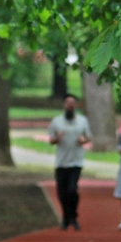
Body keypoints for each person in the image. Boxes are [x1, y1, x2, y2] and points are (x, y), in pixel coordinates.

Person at [48, 93, 93, 230]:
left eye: (73, 103)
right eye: (68, 103)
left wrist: (83, 141)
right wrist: (57, 138)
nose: (70, 105)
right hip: (61, 162)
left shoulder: (82, 121)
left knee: (72, 189)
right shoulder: (56, 121)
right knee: (62, 192)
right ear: (64, 105)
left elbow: (88, 137)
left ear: (76, 105)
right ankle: (66, 216)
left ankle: (73, 216)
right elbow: (51, 140)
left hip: (76, 161)